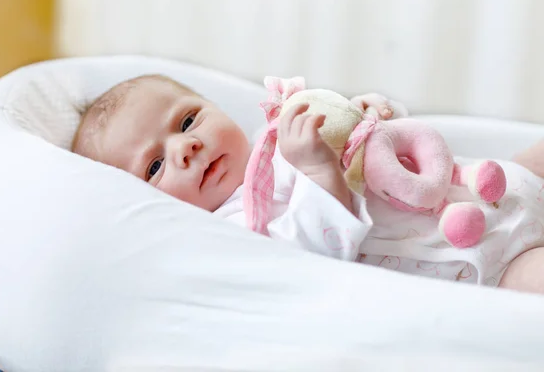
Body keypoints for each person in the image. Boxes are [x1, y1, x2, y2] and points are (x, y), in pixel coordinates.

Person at [72, 74, 544, 294]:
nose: (186, 147)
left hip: (492, 181)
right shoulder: (233, 229)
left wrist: (366, 119)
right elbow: (304, 260)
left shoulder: (276, 137)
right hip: (494, 259)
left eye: (188, 119)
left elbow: (382, 148)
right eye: (154, 166)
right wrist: (320, 175)